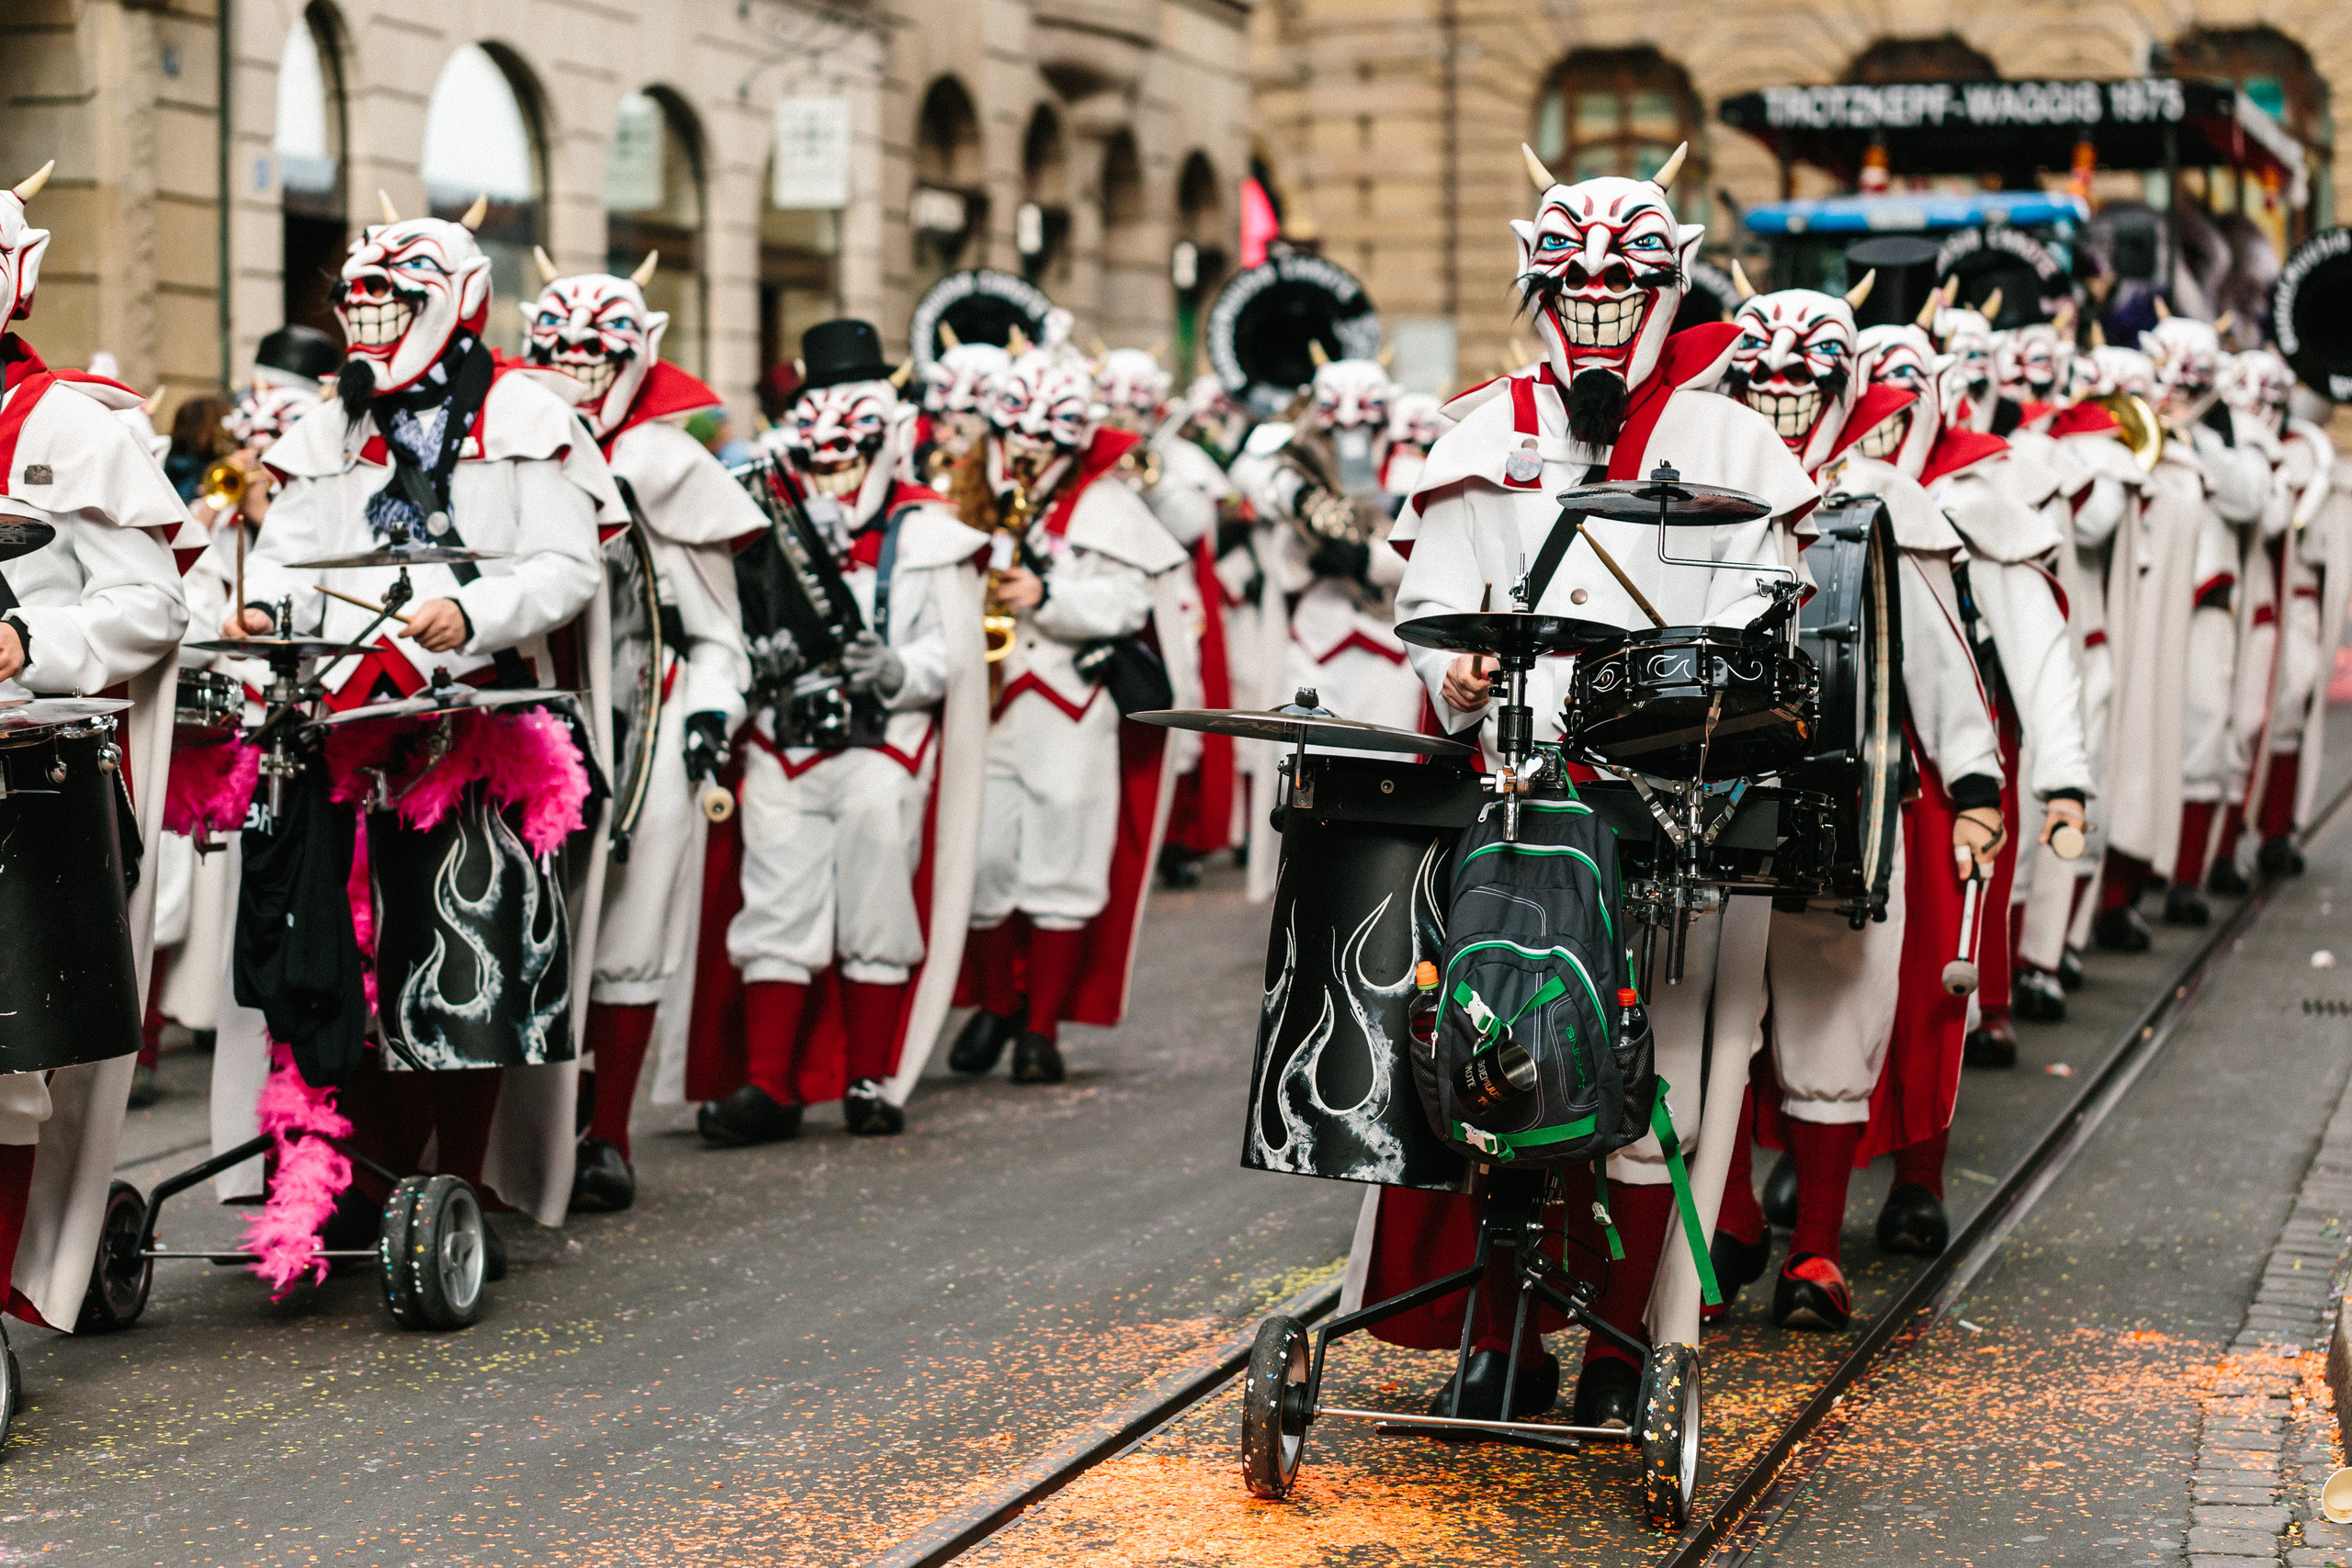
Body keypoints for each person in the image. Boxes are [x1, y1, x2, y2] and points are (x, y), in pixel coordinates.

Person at [1363, 143, 1817, 1426]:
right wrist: (1454, 671)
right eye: (1574, 275)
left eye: (1627, 275)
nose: (1600, 296)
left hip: (1673, 808)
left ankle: (1621, 1351)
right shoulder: (1483, 428)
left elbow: (1767, 624)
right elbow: (1434, 607)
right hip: (1511, 796)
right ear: (1540, 283)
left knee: (1649, 1079)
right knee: (1494, 1056)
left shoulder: (1733, 439)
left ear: (1669, 281)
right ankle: (1506, 1335)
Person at [224, 193, 621, 1252]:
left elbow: (567, 568)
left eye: (387, 292)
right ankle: (378, 1178)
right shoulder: (327, 423)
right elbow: (285, 556)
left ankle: (458, 1179)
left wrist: (474, 613)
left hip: (474, 726)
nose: (362, 309)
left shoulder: (529, 413)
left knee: (464, 964)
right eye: (352, 292)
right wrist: (264, 609)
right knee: (346, 960)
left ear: (452, 297)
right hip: (342, 729)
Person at [1709, 282, 2005, 1330]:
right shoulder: (1702, 471)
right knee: (1708, 1022)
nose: (1781, 389)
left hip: (1849, 804)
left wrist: (1974, 783)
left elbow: (1937, 653)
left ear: (1847, 385)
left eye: (1807, 372)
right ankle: (1729, 1224)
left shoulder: (1888, 499)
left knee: (1833, 1018)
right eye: (1760, 370)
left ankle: (1818, 1249)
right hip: (1711, 801)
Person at [677, 318, 987, 1143]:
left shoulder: (929, 530)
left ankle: (870, 1076)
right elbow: (729, 635)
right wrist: (725, 702)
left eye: (854, 440)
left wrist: (898, 669)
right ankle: (768, 1084)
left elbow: (953, 653)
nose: (836, 460)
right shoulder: (762, 522)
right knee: (774, 909)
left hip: (885, 744)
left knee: (879, 910)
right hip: (784, 742)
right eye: (820, 443)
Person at [0, 161, 192, 1411]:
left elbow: (150, 606)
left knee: (6, 1069)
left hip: (24, 785)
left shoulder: (74, 424)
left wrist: (31, 642)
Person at [516, 249, 759, 1208]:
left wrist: (710, 715)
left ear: (638, 352)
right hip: (530, 726)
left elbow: (719, 636)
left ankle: (606, 1133)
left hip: (647, 727)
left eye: (597, 349)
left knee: (628, 929)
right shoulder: (512, 453)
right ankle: (524, 1136)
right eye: (558, 348)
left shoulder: (669, 468)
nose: (577, 365)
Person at [943, 333, 1195, 1085]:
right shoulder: (960, 488)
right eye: (1016, 432)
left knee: (1064, 859)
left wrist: (1047, 594)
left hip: (1069, 700)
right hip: (982, 700)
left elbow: (1129, 602)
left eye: (1045, 437)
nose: (1026, 450)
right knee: (982, 857)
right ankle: (997, 1001)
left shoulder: (1107, 501)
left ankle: (1041, 1025)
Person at [1094, 346, 1233, 889]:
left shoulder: (1179, 457)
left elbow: (1195, 524)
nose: (1125, 416)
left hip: (1169, 598)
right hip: (1105, 592)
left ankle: (1176, 836)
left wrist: (1153, 477)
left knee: (1179, 706)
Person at [2213, 347, 2335, 884]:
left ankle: (2275, 832)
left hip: (2292, 602)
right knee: (2232, 723)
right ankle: (2216, 849)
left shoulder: (2308, 450)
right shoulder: (2228, 446)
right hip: (2241, 602)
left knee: (2286, 711)